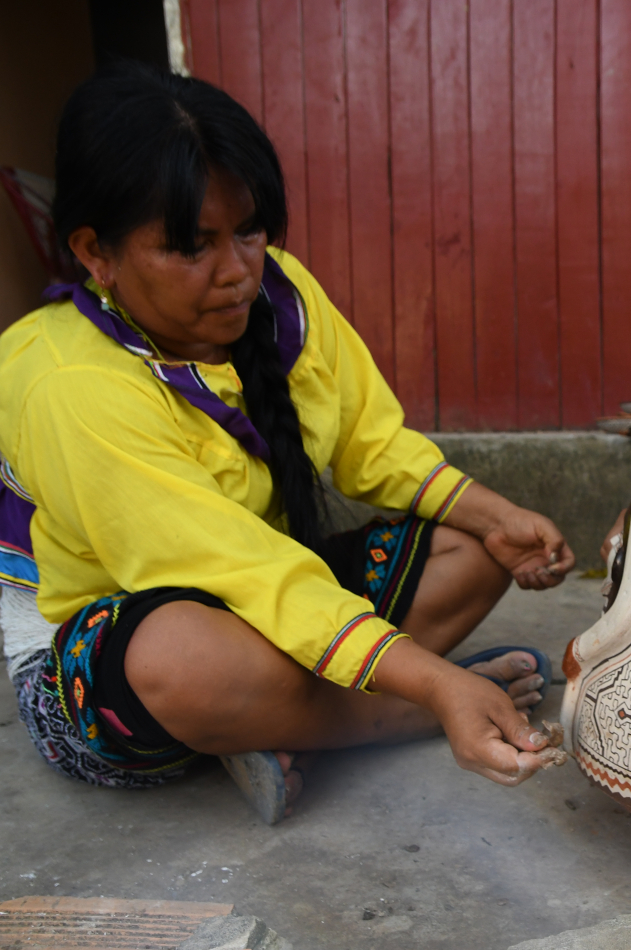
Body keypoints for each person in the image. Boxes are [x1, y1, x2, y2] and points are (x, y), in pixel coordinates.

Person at [0, 65, 574, 820]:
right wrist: (436, 687)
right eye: (189, 245)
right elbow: (245, 570)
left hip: (260, 602)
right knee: (181, 658)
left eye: (247, 230)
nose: (236, 272)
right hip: (109, 662)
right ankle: (394, 714)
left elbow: (373, 446)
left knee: (473, 550)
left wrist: (497, 516)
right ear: (95, 252)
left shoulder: (281, 294)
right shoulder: (66, 381)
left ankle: (278, 726)